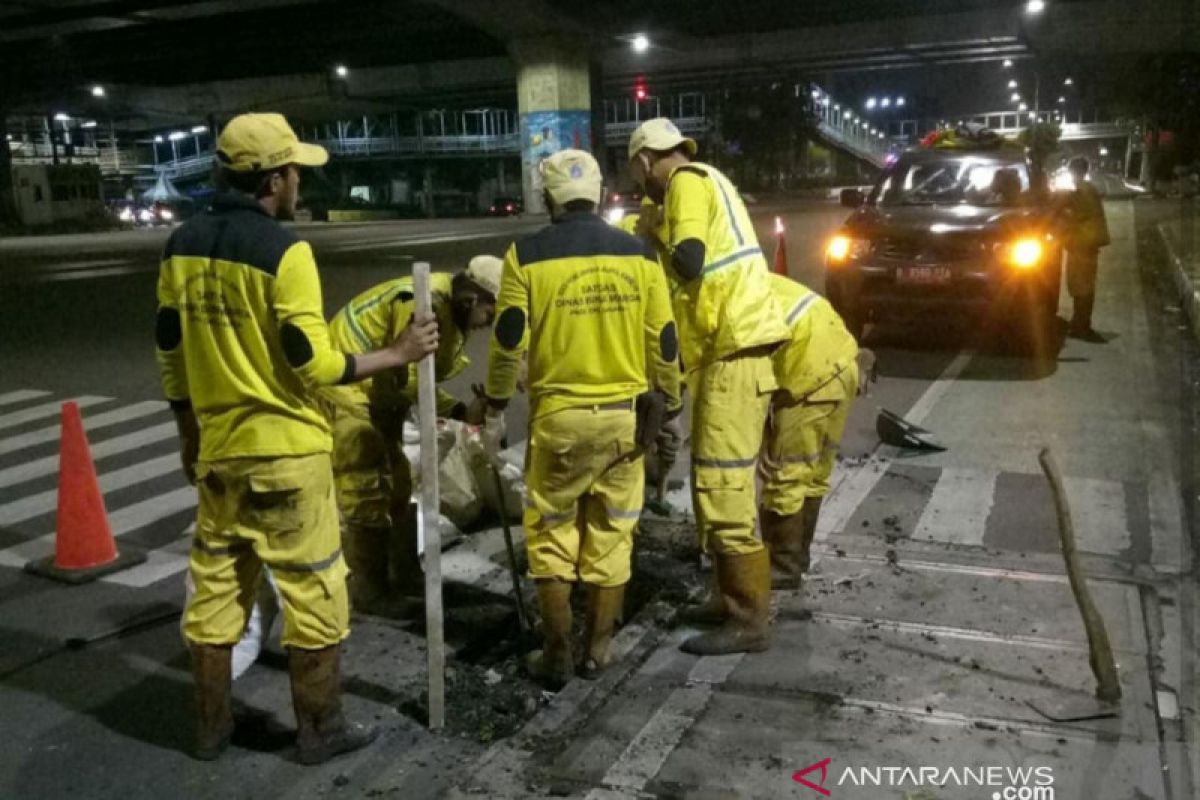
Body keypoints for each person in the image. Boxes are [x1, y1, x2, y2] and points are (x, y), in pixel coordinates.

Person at [155, 113, 438, 764]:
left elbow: (170, 349)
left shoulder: (181, 245)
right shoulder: (286, 252)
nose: (300, 183)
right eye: (296, 173)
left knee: (217, 593)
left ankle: (210, 728)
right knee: (314, 594)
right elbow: (311, 360)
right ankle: (320, 730)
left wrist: (187, 430)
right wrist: (395, 354)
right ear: (274, 178)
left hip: (220, 453)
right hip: (286, 456)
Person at [484, 149, 681, 688]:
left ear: (549, 198)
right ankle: (597, 650)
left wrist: (497, 407)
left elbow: (506, 345)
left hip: (559, 424)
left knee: (550, 535)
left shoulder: (524, 255)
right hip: (623, 424)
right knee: (613, 535)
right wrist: (672, 399)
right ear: (600, 195)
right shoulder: (640, 256)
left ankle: (555, 656)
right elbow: (664, 341)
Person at [627, 118, 790, 656]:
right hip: (733, 348)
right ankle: (727, 600)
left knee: (723, 485)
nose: (640, 183)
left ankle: (748, 620)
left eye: (636, 172)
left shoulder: (686, 183)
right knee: (712, 480)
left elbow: (691, 261)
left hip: (735, 347)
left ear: (646, 160)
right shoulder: (709, 181)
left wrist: (653, 234)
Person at [323, 256, 501, 616]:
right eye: (490, 315)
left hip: (380, 394)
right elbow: (413, 382)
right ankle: (370, 590)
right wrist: (458, 411)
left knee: (399, 483)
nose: (488, 326)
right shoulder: (422, 305)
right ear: (472, 301)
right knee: (366, 488)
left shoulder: (448, 306)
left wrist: (461, 412)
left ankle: (403, 575)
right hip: (349, 391)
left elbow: (419, 380)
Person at [760, 274, 860, 592]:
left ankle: (782, 567)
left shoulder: (725, 298)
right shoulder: (758, 280)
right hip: (842, 364)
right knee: (815, 474)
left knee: (786, 474)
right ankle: (798, 558)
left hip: (808, 374)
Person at [1058, 156, 1110, 341]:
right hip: (1086, 243)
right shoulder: (1087, 189)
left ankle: (1082, 326)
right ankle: (1078, 323)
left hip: (1082, 244)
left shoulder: (1082, 191)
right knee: (1081, 285)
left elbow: (1076, 217)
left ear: (1073, 171)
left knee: (1082, 286)